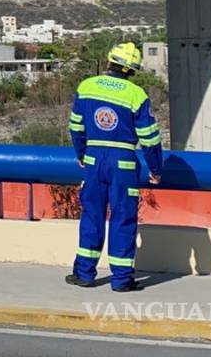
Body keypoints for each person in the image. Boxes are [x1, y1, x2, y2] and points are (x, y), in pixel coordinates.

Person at [66, 42, 163, 292]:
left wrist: (81, 154)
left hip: (94, 159)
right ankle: (121, 280)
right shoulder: (136, 95)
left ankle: (84, 274)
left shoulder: (87, 87)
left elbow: (76, 127)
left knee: (92, 216)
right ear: (133, 70)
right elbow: (149, 138)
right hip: (123, 163)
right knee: (123, 218)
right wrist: (155, 168)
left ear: (109, 62)